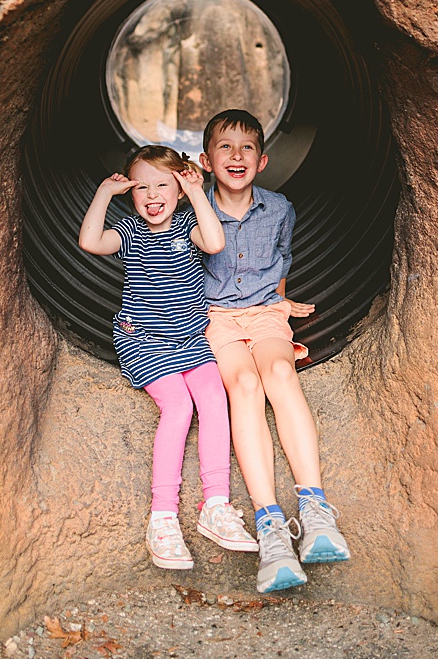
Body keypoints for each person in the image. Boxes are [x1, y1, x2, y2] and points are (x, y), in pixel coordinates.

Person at [79, 145, 258, 571]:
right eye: (142, 188)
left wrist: (197, 193)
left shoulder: (189, 224)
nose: (153, 195)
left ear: (178, 189)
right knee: (178, 407)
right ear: (132, 194)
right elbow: (89, 242)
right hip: (143, 341)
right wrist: (105, 192)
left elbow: (216, 242)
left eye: (164, 185)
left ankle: (215, 505)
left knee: (214, 400)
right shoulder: (128, 231)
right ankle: (163, 517)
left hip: (190, 339)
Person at [198, 108, 352, 594]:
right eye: (225, 147)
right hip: (216, 318)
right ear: (206, 160)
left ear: (263, 160)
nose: (236, 156)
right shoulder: (193, 211)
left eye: (246, 148)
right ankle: (270, 527)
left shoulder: (280, 207)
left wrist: (280, 303)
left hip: (266, 312)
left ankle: (315, 508)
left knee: (281, 375)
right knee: (244, 385)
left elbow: (281, 261)